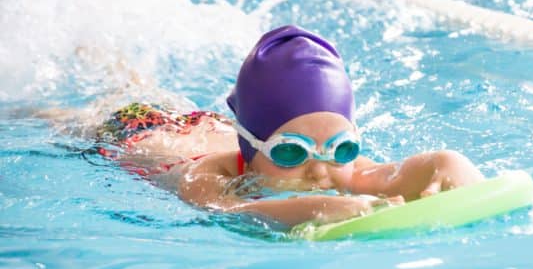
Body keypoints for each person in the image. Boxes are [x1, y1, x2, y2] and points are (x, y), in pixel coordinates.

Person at [91, 25, 484, 227]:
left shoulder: (340, 169)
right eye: (292, 152)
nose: (320, 172)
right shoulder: (207, 175)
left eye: (342, 148)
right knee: (111, 99)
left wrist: (446, 164)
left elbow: (393, 175)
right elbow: (229, 210)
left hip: (206, 125)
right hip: (135, 130)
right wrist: (313, 209)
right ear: (250, 148)